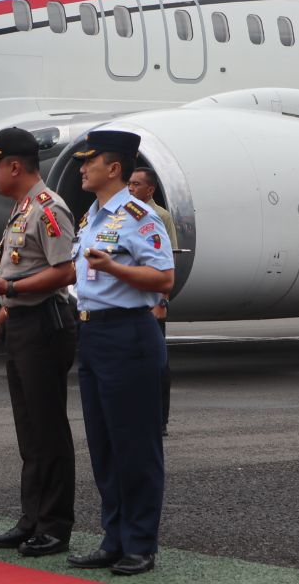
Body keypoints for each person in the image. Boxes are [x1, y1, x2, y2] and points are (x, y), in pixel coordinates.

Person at [66, 130, 174, 577]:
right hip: (92, 335)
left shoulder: (136, 215)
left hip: (129, 334)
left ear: (114, 168)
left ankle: (140, 544)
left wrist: (113, 267)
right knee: (104, 446)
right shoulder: (91, 216)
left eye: (89, 160)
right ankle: (114, 538)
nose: (81, 167)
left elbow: (163, 278)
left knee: (135, 446)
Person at [0, 127, 78, 558]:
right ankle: (31, 518)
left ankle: (55, 525)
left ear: (15, 166)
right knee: (29, 431)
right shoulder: (21, 209)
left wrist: (7, 291)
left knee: (48, 430)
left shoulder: (48, 208)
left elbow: (64, 272)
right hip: (21, 324)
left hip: (45, 326)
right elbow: (21, 275)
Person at [128, 167, 177, 435]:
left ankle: (160, 420)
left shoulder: (160, 217)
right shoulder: (121, 216)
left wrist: (162, 302)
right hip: (130, 301)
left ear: (150, 190)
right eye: (129, 184)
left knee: (157, 363)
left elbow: (169, 261)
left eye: (137, 184)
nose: (131, 188)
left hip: (152, 301)